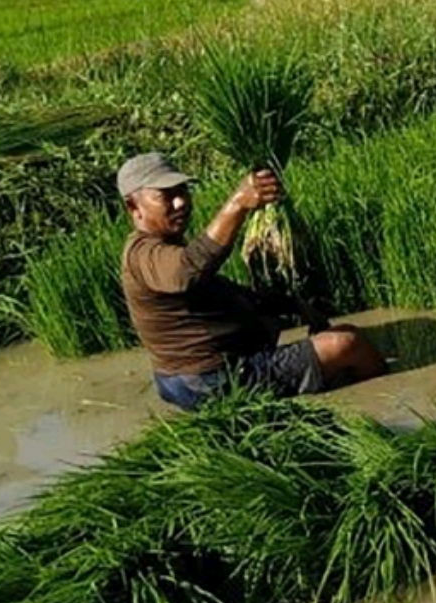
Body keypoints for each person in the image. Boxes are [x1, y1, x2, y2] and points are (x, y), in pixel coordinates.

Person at [116, 152, 387, 410]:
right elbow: (187, 271)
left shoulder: (166, 246)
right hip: (212, 381)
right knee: (348, 343)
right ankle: (385, 409)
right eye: (165, 196)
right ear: (133, 207)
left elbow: (219, 290)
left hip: (194, 377)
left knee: (293, 328)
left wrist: (293, 305)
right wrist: (237, 204)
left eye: (182, 191)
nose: (180, 203)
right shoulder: (142, 253)